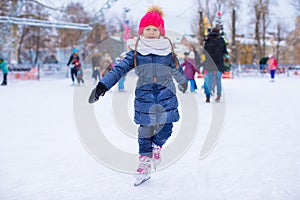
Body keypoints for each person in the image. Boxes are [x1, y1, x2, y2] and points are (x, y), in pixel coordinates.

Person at [88, 5, 187, 186]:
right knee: (145, 130)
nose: (150, 32)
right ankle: (144, 163)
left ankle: (157, 145)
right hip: (144, 96)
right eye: (147, 29)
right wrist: (103, 85)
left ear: (161, 31)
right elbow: (119, 69)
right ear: (142, 31)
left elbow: (177, 69)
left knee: (166, 128)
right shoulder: (136, 51)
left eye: (154, 29)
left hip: (167, 95)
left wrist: (183, 82)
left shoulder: (168, 50)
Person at [203, 27, 227, 103]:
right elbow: (224, 51)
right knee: (218, 80)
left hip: (209, 63)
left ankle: (207, 96)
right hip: (219, 63)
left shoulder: (207, 40)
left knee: (209, 80)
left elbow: (204, 52)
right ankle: (219, 95)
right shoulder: (221, 40)